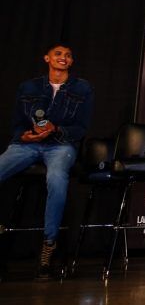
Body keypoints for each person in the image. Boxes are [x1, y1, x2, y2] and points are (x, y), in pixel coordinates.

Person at [0, 43, 94, 280]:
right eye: (59, 54)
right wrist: (25, 135)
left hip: (61, 145)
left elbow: (81, 128)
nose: (64, 58)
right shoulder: (29, 86)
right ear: (47, 58)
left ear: (71, 63)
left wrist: (56, 129)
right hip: (26, 145)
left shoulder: (83, 89)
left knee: (56, 178)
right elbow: (17, 123)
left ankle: (48, 243)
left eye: (68, 56)